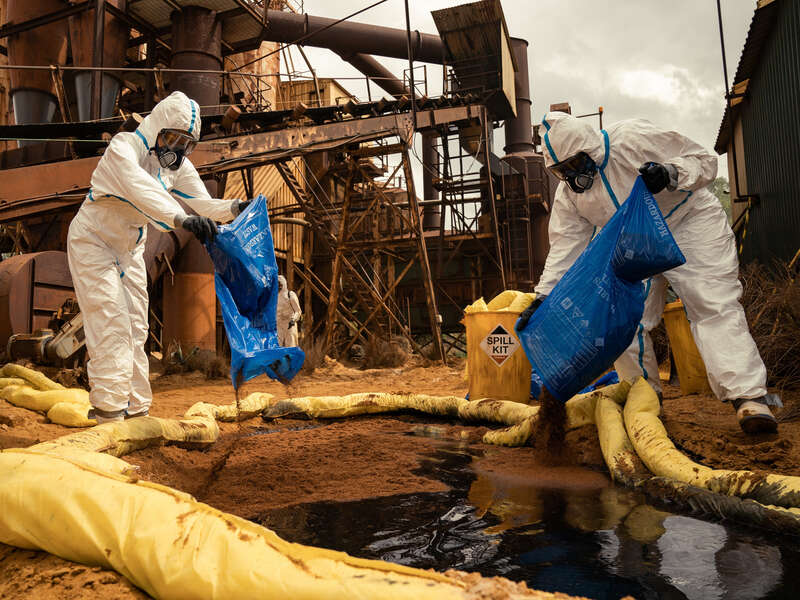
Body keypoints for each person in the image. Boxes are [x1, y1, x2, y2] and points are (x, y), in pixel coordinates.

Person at [517, 111, 777, 434]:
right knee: (622, 322)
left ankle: (749, 398)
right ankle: (645, 399)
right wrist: (543, 299)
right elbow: (564, 248)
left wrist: (671, 173)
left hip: (688, 223)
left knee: (711, 304)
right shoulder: (571, 195)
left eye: (576, 164)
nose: (572, 177)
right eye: (562, 171)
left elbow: (705, 161)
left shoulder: (631, 140)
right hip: (637, 245)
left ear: (591, 149)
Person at [67, 91, 248, 423]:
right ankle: (108, 415)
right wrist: (179, 218)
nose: (177, 151)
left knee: (137, 328)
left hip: (131, 249)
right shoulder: (124, 148)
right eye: (172, 139)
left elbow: (204, 203)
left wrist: (236, 208)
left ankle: (137, 412)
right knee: (112, 324)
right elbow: (140, 188)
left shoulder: (178, 168)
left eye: (186, 144)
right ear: (156, 129)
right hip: (94, 241)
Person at [276, 275, 301, 347]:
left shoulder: (290, 295)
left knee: (290, 347)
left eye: (280, 284)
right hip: (279, 326)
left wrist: (293, 319)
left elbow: (298, 311)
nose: (278, 286)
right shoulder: (274, 297)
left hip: (289, 325)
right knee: (278, 348)